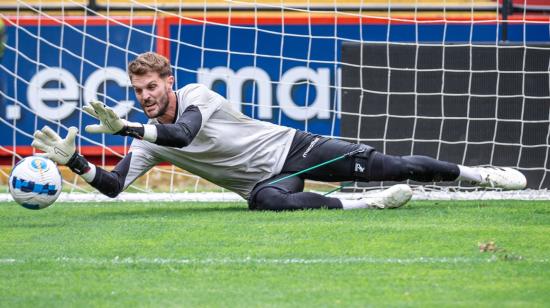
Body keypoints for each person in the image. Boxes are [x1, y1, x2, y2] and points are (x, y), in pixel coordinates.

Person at [31, 52, 527, 211]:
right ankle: (363, 204)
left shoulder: (199, 97)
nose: (146, 95)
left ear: (169, 82)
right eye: (139, 90)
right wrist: (74, 162)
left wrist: (131, 129)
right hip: (267, 183)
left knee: (392, 165)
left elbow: (182, 135)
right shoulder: (141, 136)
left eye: (153, 86)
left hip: (294, 149)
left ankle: (480, 174)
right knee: (264, 203)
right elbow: (115, 187)